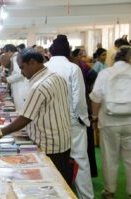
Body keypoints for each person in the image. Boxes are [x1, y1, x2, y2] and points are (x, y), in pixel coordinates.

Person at [0, 48, 72, 185]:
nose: (21, 72)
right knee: (60, 181)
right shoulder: (56, 77)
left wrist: (0, 132)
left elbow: (25, 118)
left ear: (32, 62)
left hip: (49, 144)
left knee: (50, 184)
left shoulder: (39, 86)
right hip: (63, 141)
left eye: (22, 67)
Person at [45, 35, 94, 199]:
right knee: (80, 159)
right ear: (68, 51)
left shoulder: (44, 67)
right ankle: (86, 196)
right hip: (72, 121)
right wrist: (83, 119)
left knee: (51, 161)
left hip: (50, 122)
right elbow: (79, 98)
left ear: (51, 51)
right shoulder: (73, 68)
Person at [90, 45, 131, 199]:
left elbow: (96, 98)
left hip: (109, 121)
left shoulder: (105, 73)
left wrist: (94, 118)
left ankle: (110, 191)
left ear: (114, 58)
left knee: (109, 156)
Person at [71, 48, 98, 178]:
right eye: (80, 54)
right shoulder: (77, 66)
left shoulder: (81, 66)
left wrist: (88, 88)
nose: (82, 56)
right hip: (81, 107)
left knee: (83, 149)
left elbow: (94, 77)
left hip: (82, 106)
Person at [0, 44, 27, 111]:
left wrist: (7, 79)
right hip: (19, 87)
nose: (5, 55)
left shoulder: (16, 58)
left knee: (20, 110)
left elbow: (20, 74)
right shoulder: (15, 57)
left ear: (9, 51)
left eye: (5, 53)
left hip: (20, 88)